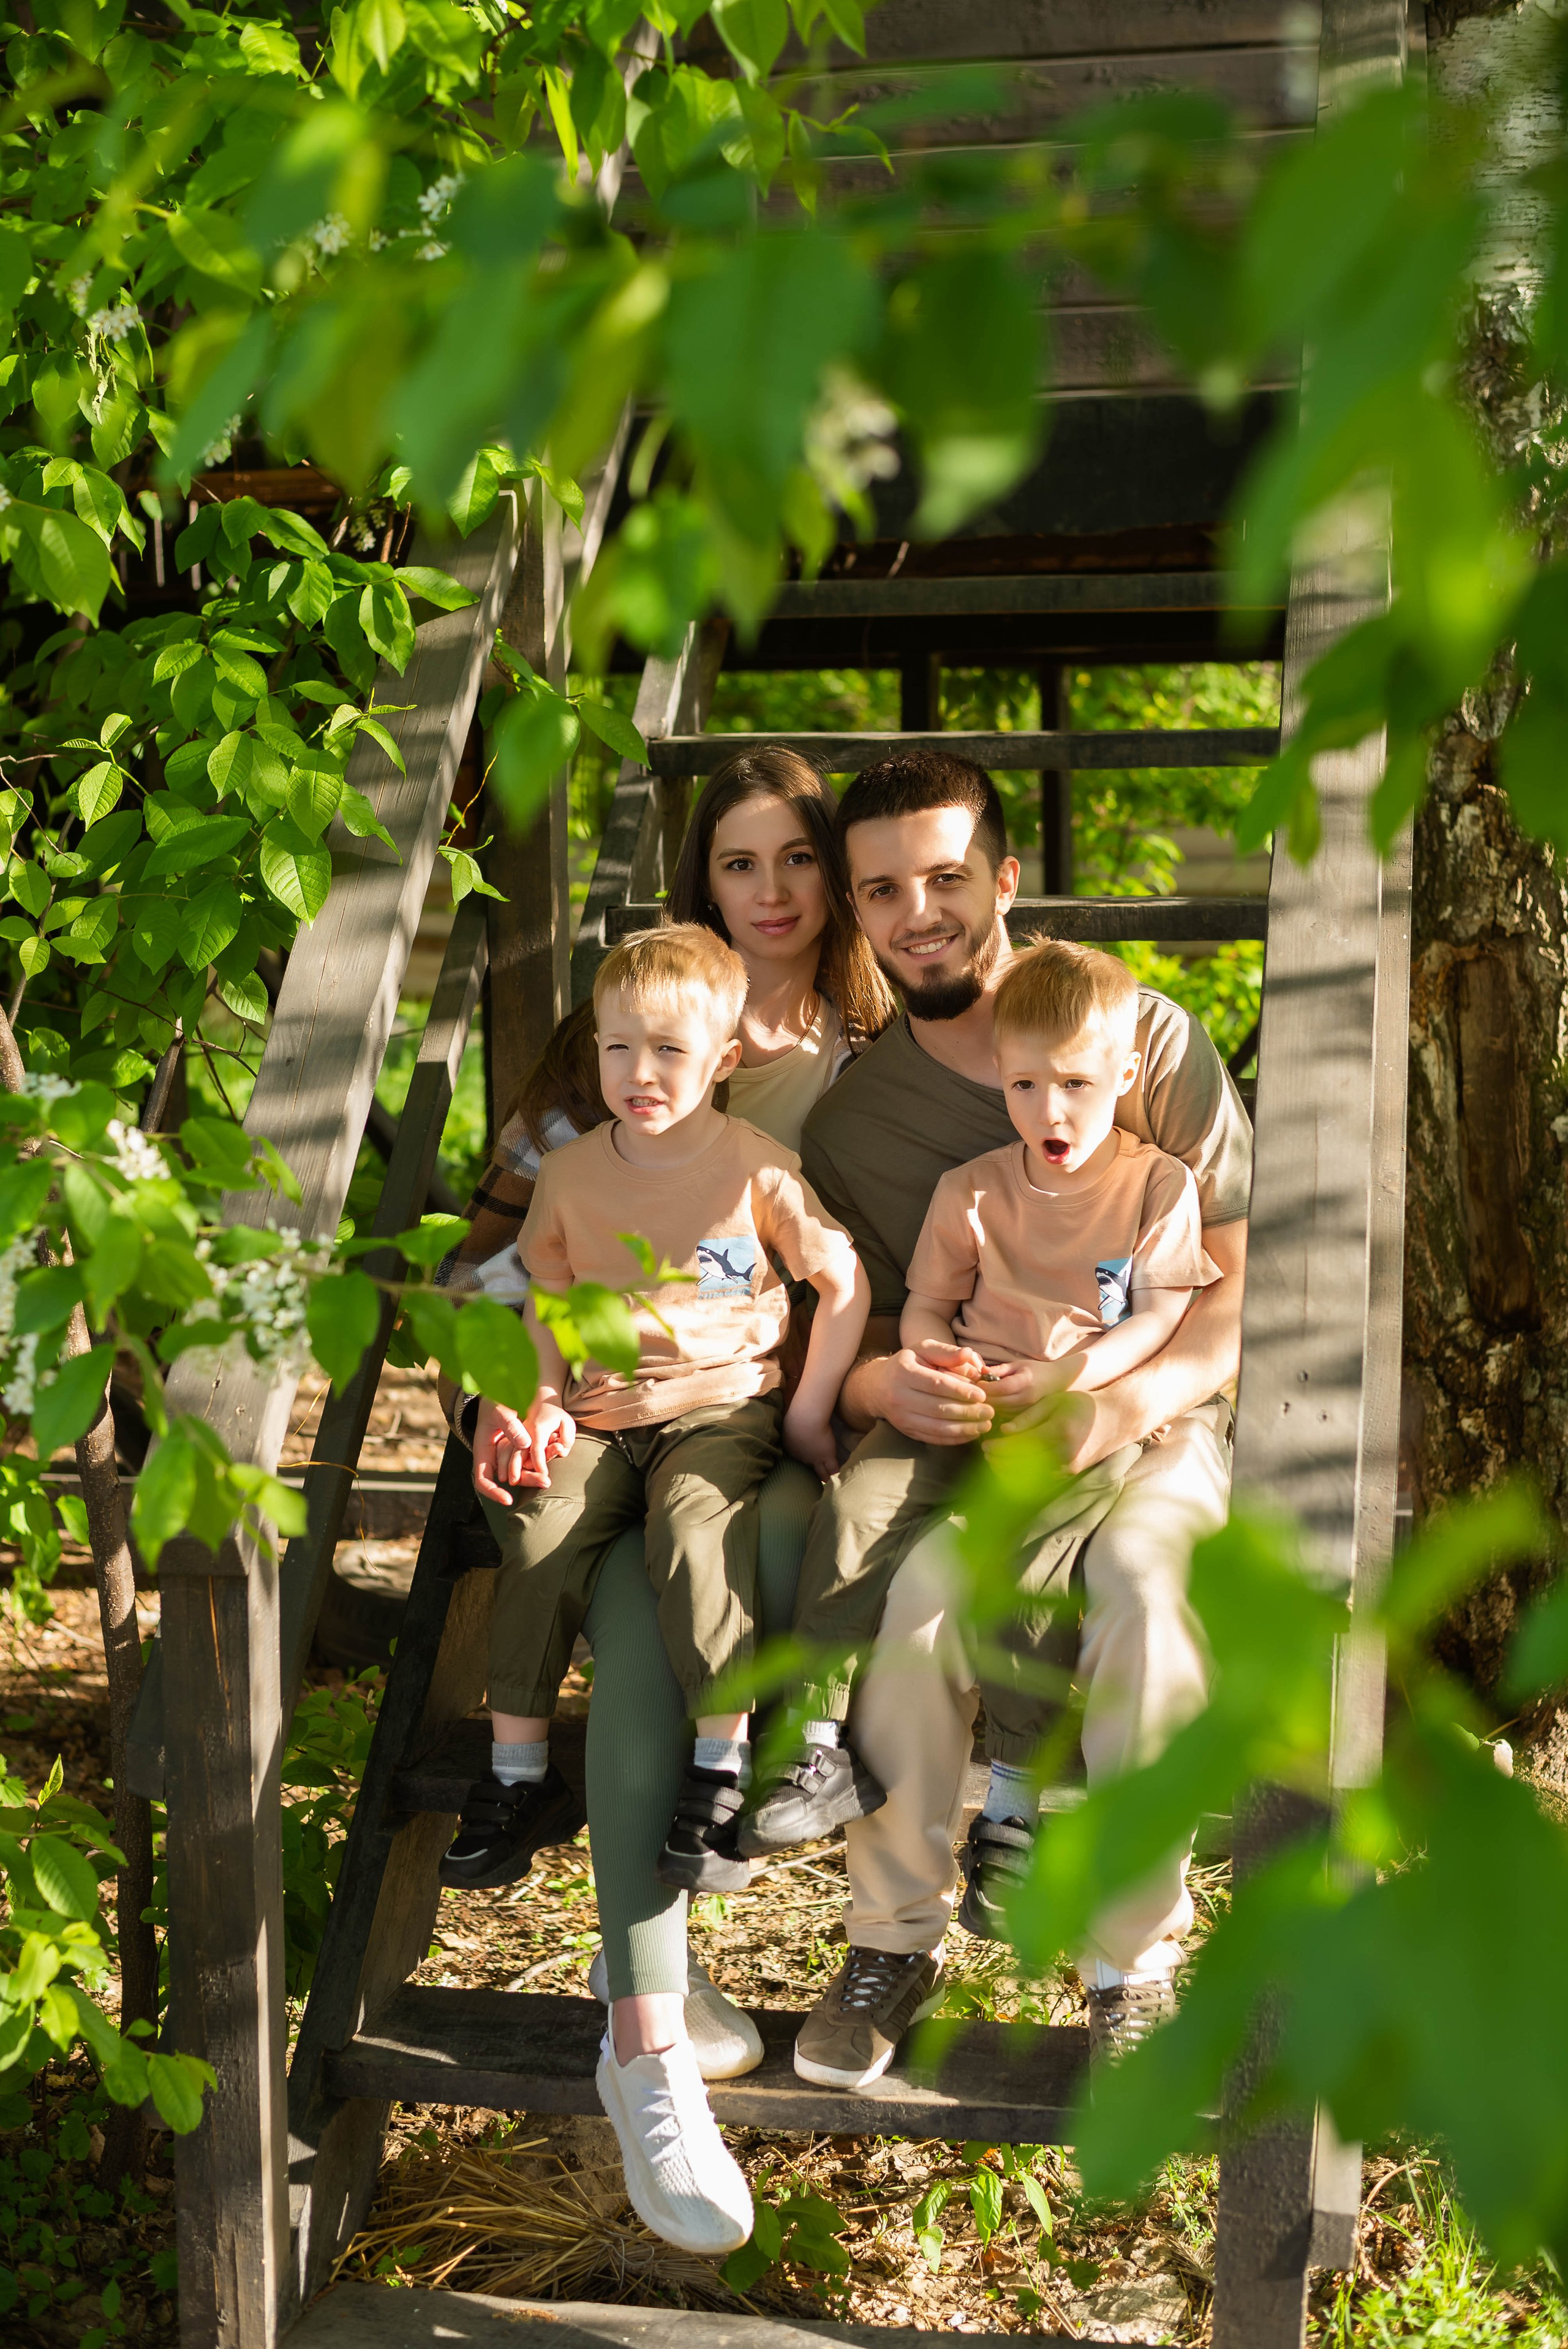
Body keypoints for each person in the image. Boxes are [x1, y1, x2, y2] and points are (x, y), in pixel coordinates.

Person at [752, 745, 1251, 2091]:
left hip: (1153, 1417)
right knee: (914, 1601)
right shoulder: (857, 1122)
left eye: (945, 877)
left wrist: (1117, 1405)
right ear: (854, 910)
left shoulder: (1140, 1040)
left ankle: (1128, 1961)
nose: (917, 913)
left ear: (1005, 877)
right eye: (881, 890)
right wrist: (883, 1386)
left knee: (1144, 1584)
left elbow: (1228, 1292)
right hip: (969, 1436)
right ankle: (891, 1939)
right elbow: (850, 1332)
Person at [738, 938, 1221, 1944]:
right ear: (1000, 1075)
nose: (1052, 1111)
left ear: (1126, 1073)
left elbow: (1159, 1317)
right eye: (1026, 1085)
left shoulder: (1158, 1187)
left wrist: (1071, 1377)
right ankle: (815, 1736)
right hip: (965, 1397)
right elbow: (925, 1304)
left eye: (1077, 1085)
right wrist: (930, 1358)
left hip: (1075, 1413)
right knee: (858, 1507)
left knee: (1030, 1565)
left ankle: (1013, 1803)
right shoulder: (973, 1189)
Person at [442, 921, 869, 1912]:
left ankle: (720, 1770)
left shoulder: (755, 1167)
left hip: (719, 1406)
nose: (641, 1072)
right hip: (598, 1410)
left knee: (692, 1526)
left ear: (725, 1060)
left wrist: (810, 1410)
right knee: (538, 1525)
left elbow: (841, 1282)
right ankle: (519, 1776)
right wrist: (540, 1399)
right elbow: (547, 1302)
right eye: (619, 1047)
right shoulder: (571, 1174)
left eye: (671, 1050)